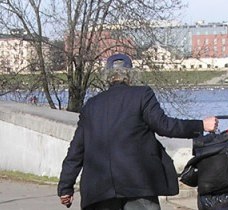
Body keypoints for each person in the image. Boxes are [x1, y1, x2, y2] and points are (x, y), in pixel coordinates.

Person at [57, 53, 218, 210]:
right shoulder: (142, 95)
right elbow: (165, 126)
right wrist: (201, 125)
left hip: (99, 189)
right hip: (137, 184)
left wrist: (65, 187)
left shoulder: (91, 106)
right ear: (131, 75)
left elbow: (76, 150)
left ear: (106, 76)